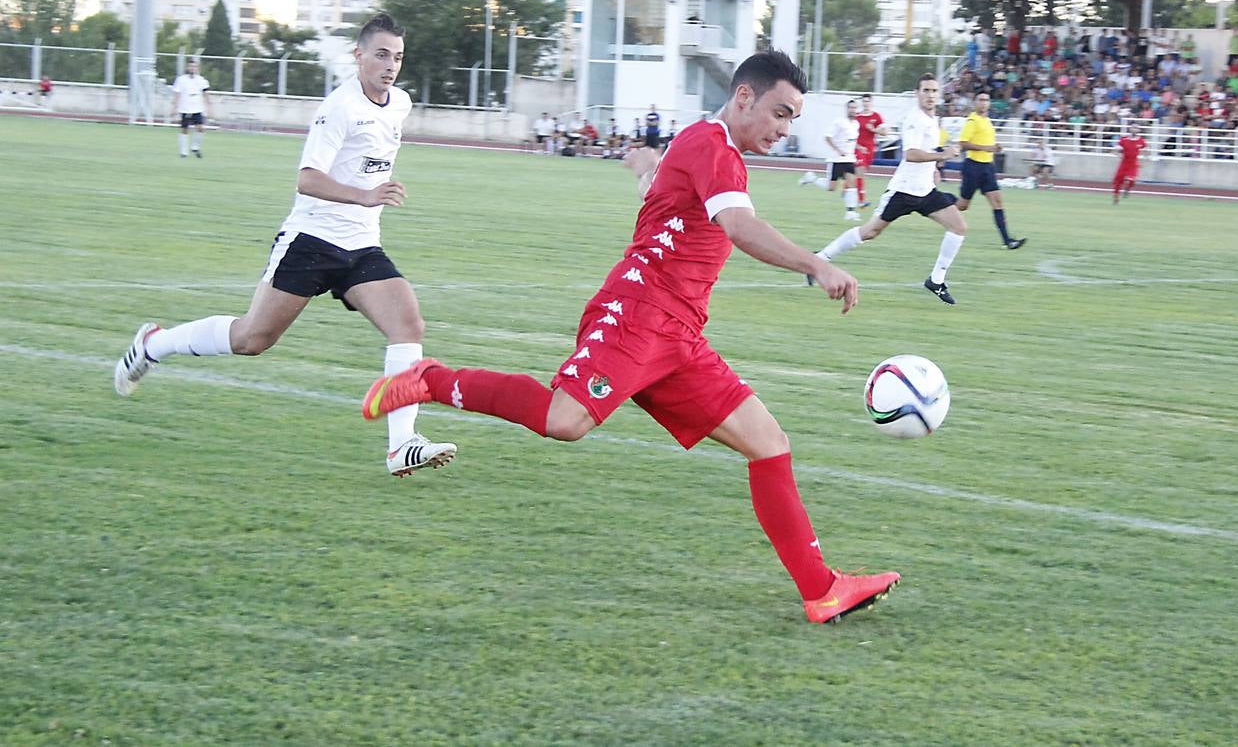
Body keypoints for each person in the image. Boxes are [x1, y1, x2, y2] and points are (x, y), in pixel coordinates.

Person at [361, 50, 900, 624]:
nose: (785, 129)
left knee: (769, 443)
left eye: (792, 119)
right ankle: (429, 380)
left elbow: (670, 201)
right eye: (780, 112)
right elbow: (739, 226)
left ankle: (821, 590)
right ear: (745, 96)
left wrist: (645, 166)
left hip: (681, 338)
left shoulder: (711, 151)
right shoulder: (711, 143)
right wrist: (816, 265)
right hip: (638, 314)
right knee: (565, 422)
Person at [113, 12, 455, 478]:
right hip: (311, 242)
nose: (390, 65)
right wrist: (365, 194)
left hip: (361, 246)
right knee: (252, 339)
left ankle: (401, 445)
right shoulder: (339, 107)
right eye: (380, 54)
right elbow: (307, 178)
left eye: (397, 57)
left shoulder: (400, 103)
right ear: (358, 55)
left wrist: (367, 199)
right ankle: (156, 344)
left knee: (408, 323)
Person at [809, 74, 968, 305]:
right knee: (870, 232)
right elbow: (911, 154)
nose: (931, 95)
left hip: (925, 191)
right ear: (917, 93)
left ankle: (936, 280)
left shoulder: (932, 119)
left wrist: (935, 163)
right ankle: (819, 259)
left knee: (959, 227)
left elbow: (926, 150)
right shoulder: (915, 118)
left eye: (934, 91)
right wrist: (943, 155)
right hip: (903, 191)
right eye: (926, 90)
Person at [955, 92, 1026, 250]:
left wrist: (994, 147)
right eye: (980, 100)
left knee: (997, 202)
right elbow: (963, 143)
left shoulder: (987, 121)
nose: (984, 103)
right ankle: (939, 203)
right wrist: (988, 148)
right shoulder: (972, 120)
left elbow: (986, 141)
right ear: (975, 102)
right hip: (973, 166)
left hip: (987, 167)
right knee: (962, 205)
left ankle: (1008, 240)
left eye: (986, 100)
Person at [823, 99, 862, 220]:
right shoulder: (839, 122)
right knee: (831, 187)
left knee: (852, 184)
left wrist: (859, 147)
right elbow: (828, 137)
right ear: (847, 109)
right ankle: (811, 178)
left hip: (849, 159)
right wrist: (838, 150)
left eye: (854, 108)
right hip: (837, 159)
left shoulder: (856, 124)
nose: (853, 110)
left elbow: (852, 140)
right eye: (850, 108)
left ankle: (850, 212)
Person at [172, 60, 213, 158]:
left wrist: (210, 108)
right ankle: (183, 152)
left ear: (197, 68)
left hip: (197, 108)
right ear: (187, 68)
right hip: (185, 108)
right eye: (191, 66)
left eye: (194, 67)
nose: (192, 68)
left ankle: (195, 147)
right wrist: (174, 107)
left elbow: (206, 95)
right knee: (184, 129)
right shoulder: (181, 80)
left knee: (201, 128)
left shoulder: (202, 80)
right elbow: (177, 94)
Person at [854, 93, 886, 208]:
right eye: (864, 101)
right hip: (858, 148)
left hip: (870, 149)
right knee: (860, 171)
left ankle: (847, 187)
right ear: (862, 103)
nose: (866, 103)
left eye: (868, 101)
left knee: (859, 173)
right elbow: (851, 134)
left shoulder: (877, 116)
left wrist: (874, 130)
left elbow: (885, 132)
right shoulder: (857, 117)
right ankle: (861, 200)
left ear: (871, 103)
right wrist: (858, 146)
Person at [1112, 122, 1146, 203]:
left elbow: (1144, 151)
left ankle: (1127, 189)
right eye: (1133, 127)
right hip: (1124, 163)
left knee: (1132, 180)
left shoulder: (1141, 141)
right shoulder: (1124, 139)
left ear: (1138, 130)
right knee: (1118, 181)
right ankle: (1116, 197)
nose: (1134, 129)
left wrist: (1143, 160)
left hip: (1133, 163)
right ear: (1130, 129)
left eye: (1136, 128)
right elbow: (1115, 150)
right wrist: (1118, 154)